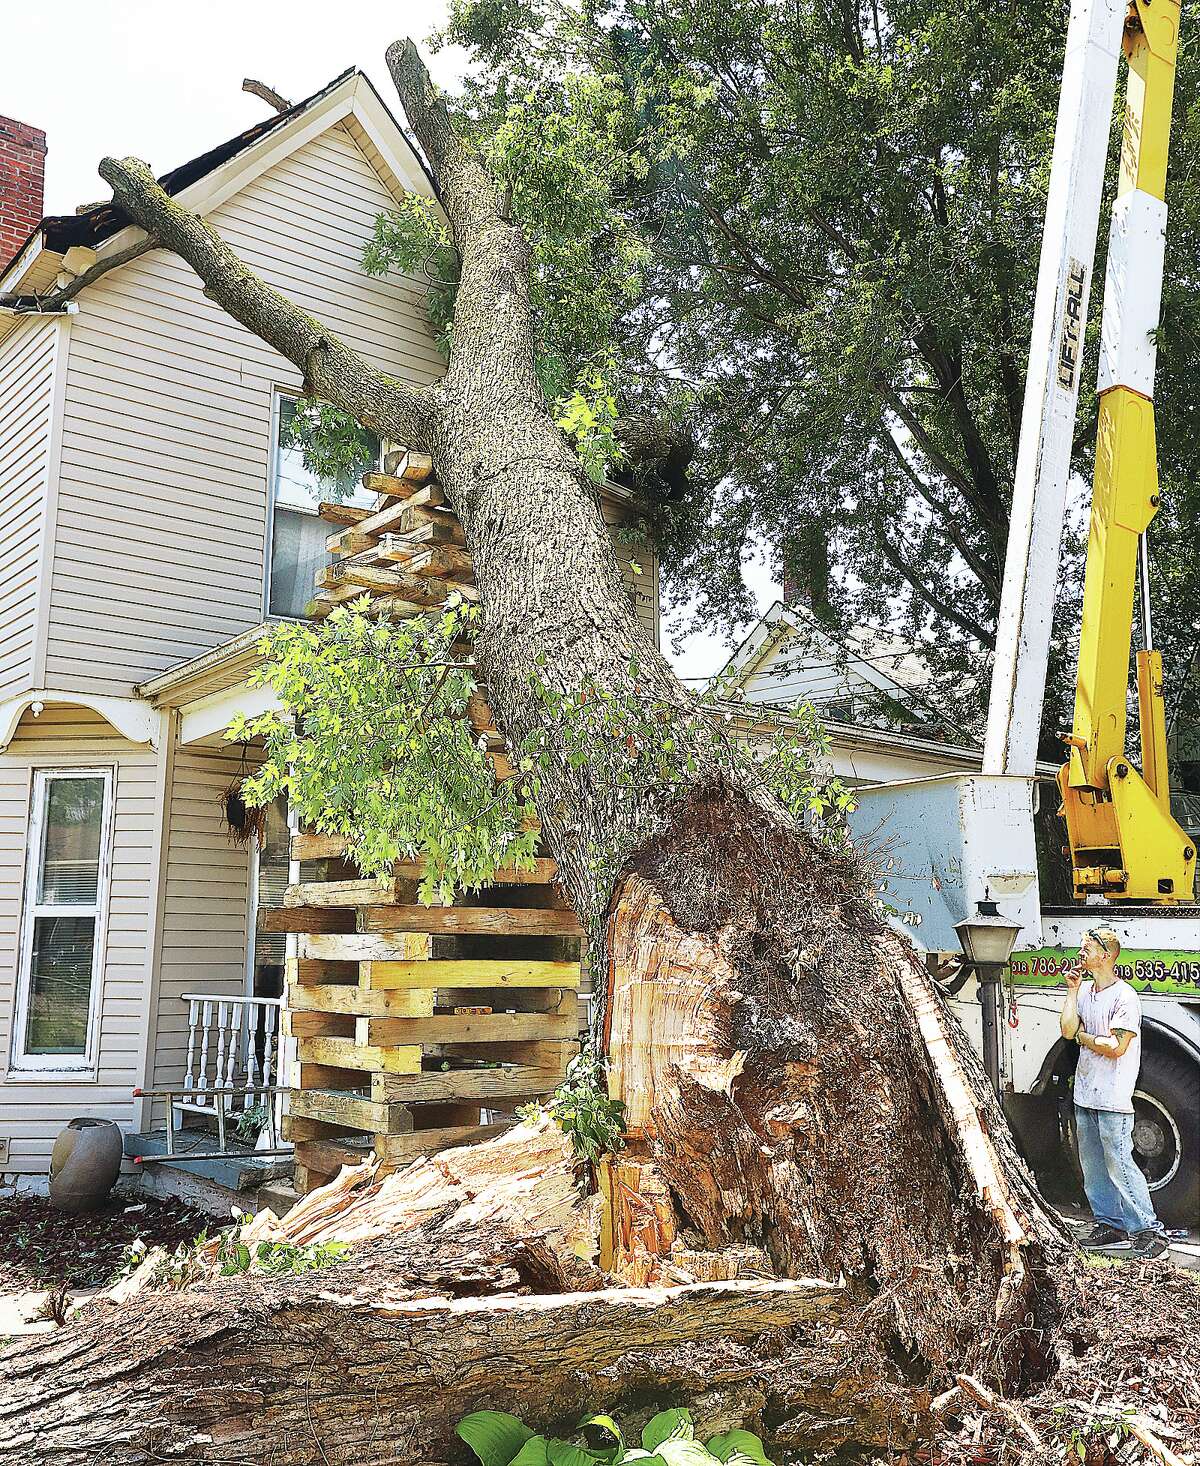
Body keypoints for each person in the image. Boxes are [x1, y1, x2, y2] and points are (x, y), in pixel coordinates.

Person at [1060, 927, 1169, 1260]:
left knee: (1120, 1164)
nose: (1080, 953)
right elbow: (1067, 1029)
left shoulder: (1124, 996)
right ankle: (1110, 1225)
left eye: (1087, 948)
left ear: (1106, 955)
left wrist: (1084, 1038)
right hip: (1085, 1093)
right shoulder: (1084, 991)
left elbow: (1116, 1046)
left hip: (1112, 1096)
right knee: (1093, 1167)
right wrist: (1072, 991)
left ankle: (1149, 1231)